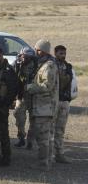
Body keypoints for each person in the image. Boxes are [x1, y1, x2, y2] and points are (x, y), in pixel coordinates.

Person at [27, 39, 59, 171]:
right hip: (43, 107)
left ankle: (43, 164)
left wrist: (31, 87)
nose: (36, 51)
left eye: (38, 49)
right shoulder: (43, 64)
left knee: (43, 137)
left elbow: (47, 86)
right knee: (47, 136)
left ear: (44, 51)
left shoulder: (49, 66)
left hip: (45, 108)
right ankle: (48, 161)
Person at [0, 45, 18, 166]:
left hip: (1, 106)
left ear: (0, 55)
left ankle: (6, 158)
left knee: (3, 133)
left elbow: (13, 89)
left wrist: (5, 103)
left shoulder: (8, 70)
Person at [13, 47, 38, 149]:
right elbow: (13, 78)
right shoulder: (17, 64)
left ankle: (30, 141)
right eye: (24, 56)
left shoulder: (37, 65)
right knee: (19, 117)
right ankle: (21, 137)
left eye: (28, 57)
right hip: (21, 95)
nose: (25, 59)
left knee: (34, 120)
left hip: (33, 96)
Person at [53, 45, 73, 164]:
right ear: (55, 53)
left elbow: (68, 82)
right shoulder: (51, 65)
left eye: (64, 53)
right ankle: (48, 155)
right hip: (54, 101)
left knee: (60, 129)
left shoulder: (68, 66)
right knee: (51, 129)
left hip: (64, 100)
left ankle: (59, 154)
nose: (63, 55)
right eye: (61, 53)